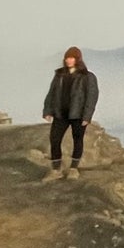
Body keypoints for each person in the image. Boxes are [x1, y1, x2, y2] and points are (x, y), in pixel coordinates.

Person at [41, 47, 99, 179]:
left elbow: (92, 97)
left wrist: (87, 116)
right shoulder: (59, 75)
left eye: (72, 58)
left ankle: (74, 168)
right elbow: (51, 93)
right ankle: (56, 170)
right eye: (67, 58)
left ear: (77, 59)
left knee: (77, 140)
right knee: (54, 139)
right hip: (60, 114)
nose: (68, 60)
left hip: (78, 115)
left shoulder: (87, 77)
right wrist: (47, 111)